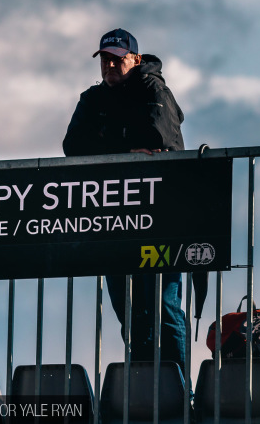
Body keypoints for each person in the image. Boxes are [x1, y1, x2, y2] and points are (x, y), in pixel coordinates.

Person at [62, 28, 187, 372]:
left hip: (161, 220)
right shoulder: (91, 98)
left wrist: (106, 148)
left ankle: (177, 389)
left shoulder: (154, 88)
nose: (110, 64)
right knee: (129, 308)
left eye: (117, 58)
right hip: (115, 221)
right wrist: (125, 150)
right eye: (104, 58)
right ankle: (144, 387)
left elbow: (156, 137)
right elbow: (73, 148)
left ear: (135, 58)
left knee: (163, 304)